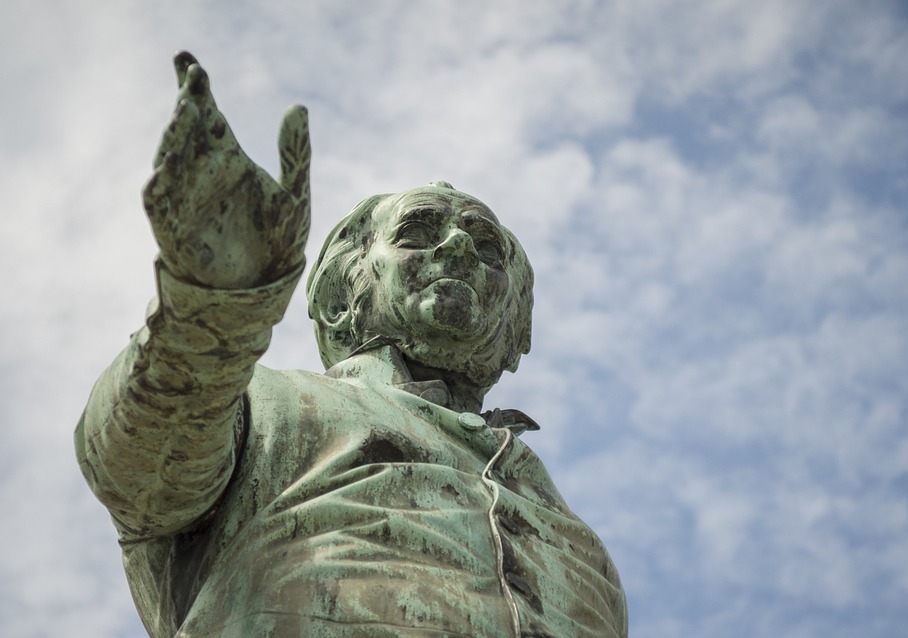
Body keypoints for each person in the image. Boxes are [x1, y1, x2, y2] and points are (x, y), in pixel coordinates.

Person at [76, 51, 627, 638]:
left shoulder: (576, 542)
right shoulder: (260, 402)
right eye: (418, 231)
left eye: (487, 247)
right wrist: (210, 306)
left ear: (516, 322)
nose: (460, 247)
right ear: (346, 287)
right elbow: (136, 472)